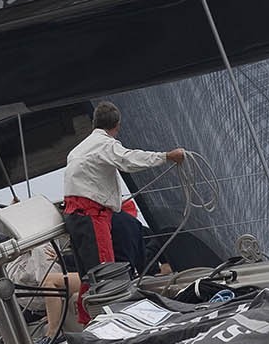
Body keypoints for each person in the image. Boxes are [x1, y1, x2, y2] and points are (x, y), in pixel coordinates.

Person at [62, 100, 184, 272]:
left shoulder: (77, 151)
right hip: (93, 214)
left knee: (89, 273)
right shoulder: (106, 144)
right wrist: (166, 157)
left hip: (74, 216)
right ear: (117, 126)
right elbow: (129, 160)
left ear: (94, 123)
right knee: (105, 273)